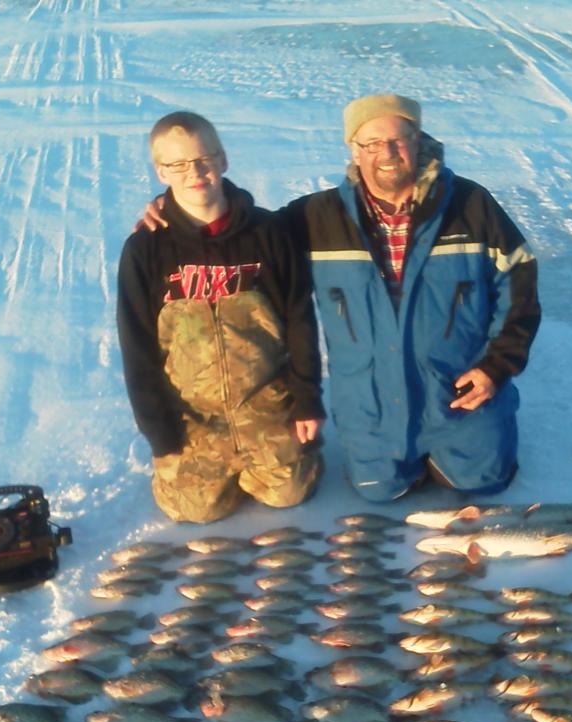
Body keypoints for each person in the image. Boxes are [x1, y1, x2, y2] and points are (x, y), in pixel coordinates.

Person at [139, 94, 540, 502]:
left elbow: (520, 286)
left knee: (485, 483)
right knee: (378, 493)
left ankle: (465, 448)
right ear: (354, 148)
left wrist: (497, 366)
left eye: (399, 139)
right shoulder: (319, 217)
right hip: (372, 408)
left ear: (418, 139)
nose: (386, 153)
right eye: (371, 143)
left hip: (457, 398)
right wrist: (176, 209)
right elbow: (244, 232)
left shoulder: (471, 206)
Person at [116, 111, 324, 523]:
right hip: (194, 413)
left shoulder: (267, 232)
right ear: (161, 171)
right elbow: (136, 349)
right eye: (177, 164)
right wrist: (159, 431)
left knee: (290, 493)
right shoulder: (145, 249)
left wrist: (307, 401)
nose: (194, 172)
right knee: (193, 510)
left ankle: (280, 451)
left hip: (263, 403)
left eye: (204, 158)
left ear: (223, 159)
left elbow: (300, 321)